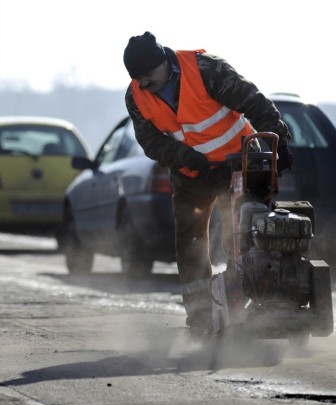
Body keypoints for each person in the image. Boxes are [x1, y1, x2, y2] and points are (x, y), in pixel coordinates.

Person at [123, 31, 292, 336]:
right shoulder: (135, 96)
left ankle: (245, 307)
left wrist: (278, 140)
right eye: (137, 78)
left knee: (241, 236)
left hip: (239, 166)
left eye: (147, 75)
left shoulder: (206, 70)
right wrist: (185, 156)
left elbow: (252, 101)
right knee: (190, 244)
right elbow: (150, 142)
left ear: (162, 61)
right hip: (193, 174)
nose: (143, 84)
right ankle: (201, 319)